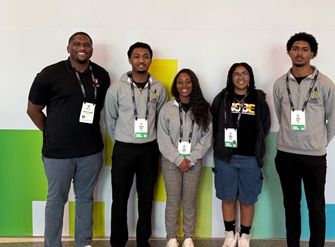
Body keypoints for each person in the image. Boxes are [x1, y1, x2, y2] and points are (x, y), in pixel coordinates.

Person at [27, 32, 110, 247]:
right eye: (76, 44)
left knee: (85, 200)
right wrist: (51, 132)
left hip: (90, 152)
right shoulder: (50, 74)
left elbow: (99, 109)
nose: (82, 47)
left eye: (86, 44)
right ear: (68, 48)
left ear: (92, 49)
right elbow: (33, 110)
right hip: (57, 154)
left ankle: (84, 243)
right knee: (56, 201)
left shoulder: (101, 75)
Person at [273, 32, 335, 247]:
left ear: (312, 53)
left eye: (304, 49)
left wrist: (318, 142)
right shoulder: (279, 84)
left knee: (316, 208)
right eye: (295, 48)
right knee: (291, 207)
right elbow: (280, 114)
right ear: (289, 52)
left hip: (314, 157)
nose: (299, 53)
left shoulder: (325, 84)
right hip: (286, 155)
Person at [104, 42, 168, 247]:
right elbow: (110, 119)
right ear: (130, 59)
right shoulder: (116, 88)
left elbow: (160, 118)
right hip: (123, 148)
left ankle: (143, 240)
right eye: (137, 56)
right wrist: (122, 139)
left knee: (146, 198)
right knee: (120, 198)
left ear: (150, 59)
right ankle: (118, 242)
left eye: (146, 56)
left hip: (149, 149)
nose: (141, 60)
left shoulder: (158, 88)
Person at [212, 63, 271, 247]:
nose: (241, 77)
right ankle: (230, 235)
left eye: (244, 73)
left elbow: (265, 126)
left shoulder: (258, 99)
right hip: (226, 158)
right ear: (230, 77)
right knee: (228, 197)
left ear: (250, 77)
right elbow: (214, 124)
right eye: (236, 74)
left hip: (251, 158)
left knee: (247, 200)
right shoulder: (222, 98)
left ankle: (245, 236)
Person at [157, 69, 212, 247]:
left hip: (193, 163)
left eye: (188, 81)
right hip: (171, 161)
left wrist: (191, 158)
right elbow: (163, 138)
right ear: (176, 85)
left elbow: (206, 138)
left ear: (193, 84)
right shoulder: (166, 109)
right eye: (180, 82)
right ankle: (171, 237)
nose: (184, 85)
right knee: (172, 201)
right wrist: (178, 159)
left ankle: (188, 236)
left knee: (189, 200)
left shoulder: (204, 108)